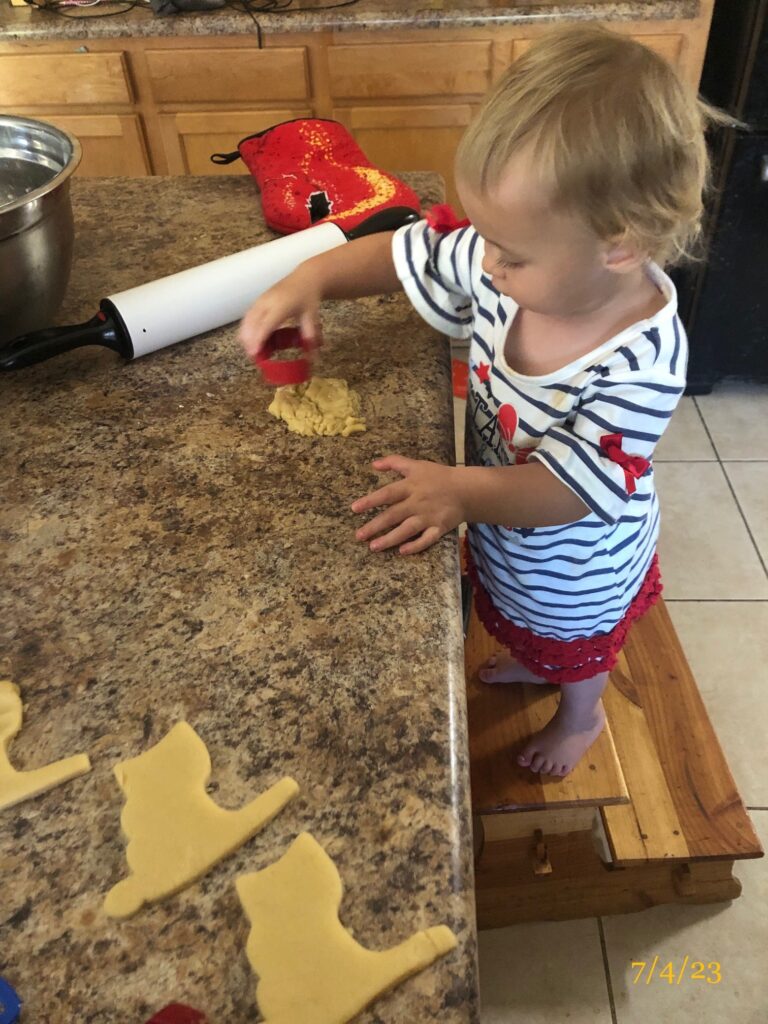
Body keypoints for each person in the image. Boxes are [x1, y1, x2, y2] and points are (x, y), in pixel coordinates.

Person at [239, 25, 725, 777]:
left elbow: (568, 491)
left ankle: (581, 713)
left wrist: (462, 491)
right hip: (503, 524)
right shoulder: (521, 260)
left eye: (511, 252)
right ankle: (538, 663)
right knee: (513, 612)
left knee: (571, 643)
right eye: (488, 238)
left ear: (620, 245)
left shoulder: (641, 360)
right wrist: (309, 281)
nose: (484, 260)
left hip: (576, 562)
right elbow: (409, 253)